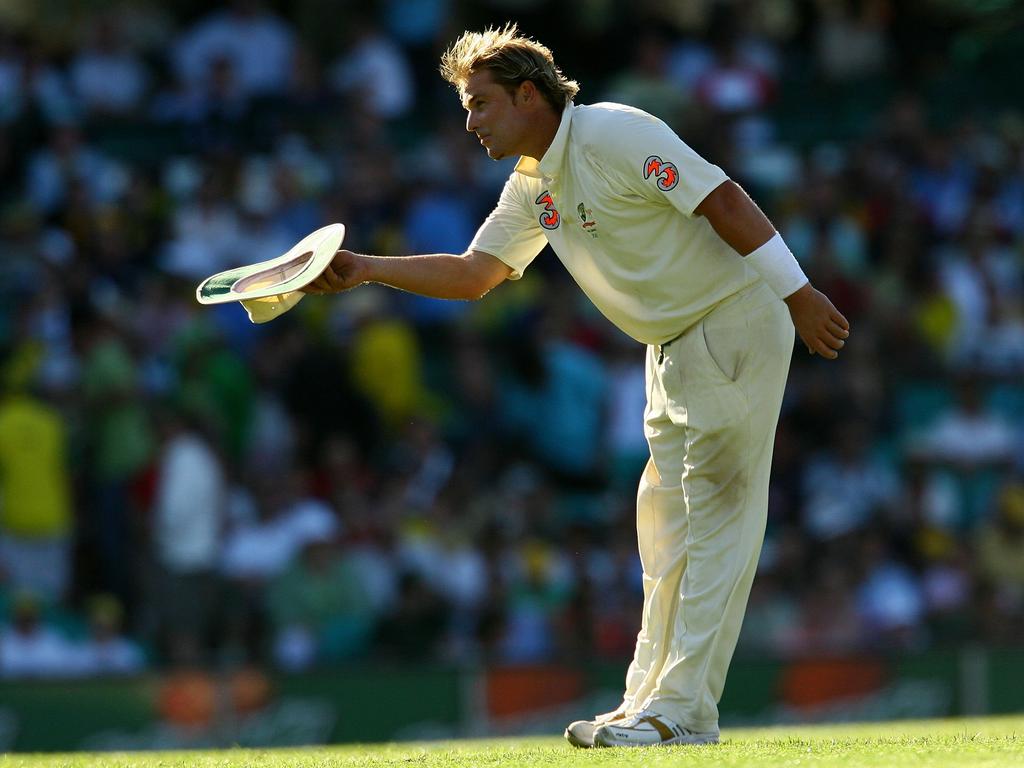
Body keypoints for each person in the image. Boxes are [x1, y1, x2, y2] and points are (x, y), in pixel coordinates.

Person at [302, 23, 849, 748]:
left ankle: (683, 713)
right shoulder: (533, 186)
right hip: (671, 347)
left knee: (715, 521)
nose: (470, 124)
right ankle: (645, 704)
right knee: (663, 530)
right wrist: (367, 267)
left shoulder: (614, 133)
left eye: (481, 104)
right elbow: (475, 275)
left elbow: (721, 198)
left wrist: (798, 292)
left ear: (529, 95)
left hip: (736, 317)